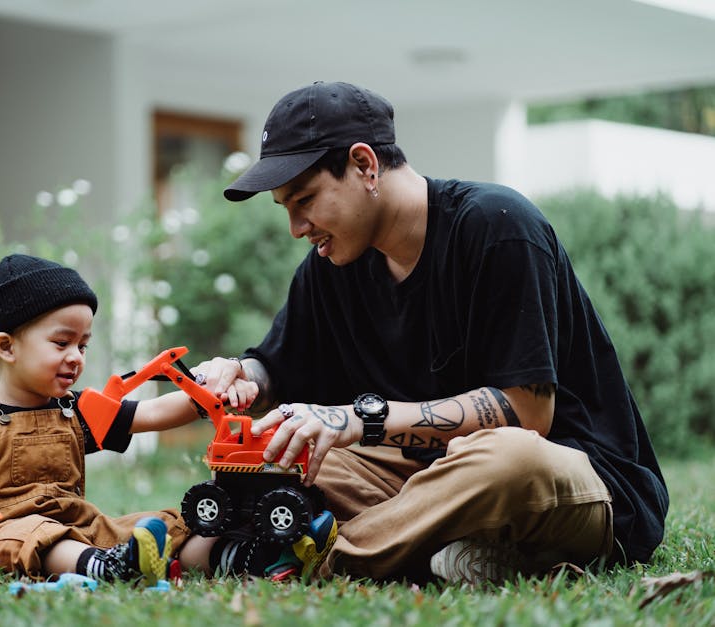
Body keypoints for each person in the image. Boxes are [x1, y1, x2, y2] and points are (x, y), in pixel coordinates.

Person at [196, 81, 669, 584]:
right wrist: (240, 373)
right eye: (285, 208)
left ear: (364, 165)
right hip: (420, 483)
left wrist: (361, 419)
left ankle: (313, 560)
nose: (296, 227)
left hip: (569, 481)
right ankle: (145, 543)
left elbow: (529, 413)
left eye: (305, 200)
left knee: (506, 456)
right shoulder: (330, 266)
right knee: (282, 462)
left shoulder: (498, 225)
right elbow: (278, 365)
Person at [0, 254, 248, 585]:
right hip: (2, 535)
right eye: (62, 342)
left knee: (156, 525)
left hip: (80, 527)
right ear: (6, 347)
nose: (76, 357)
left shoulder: (76, 408)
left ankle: (233, 555)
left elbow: (150, 412)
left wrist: (204, 398)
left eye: (83, 345)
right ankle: (106, 568)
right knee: (39, 534)